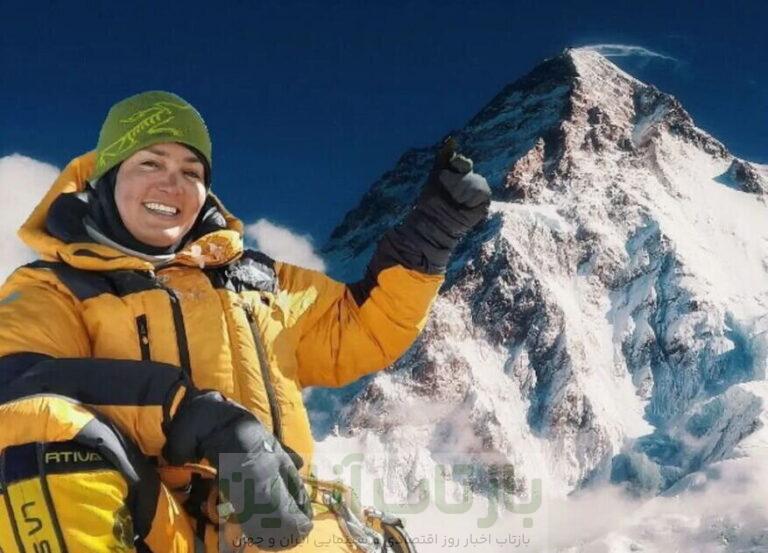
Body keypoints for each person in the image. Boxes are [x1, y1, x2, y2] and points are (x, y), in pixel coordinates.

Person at [0, 91, 490, 552]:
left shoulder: (257, 281)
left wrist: (431, 235)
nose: (172, 184)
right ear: (107, 176)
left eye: (191, 171)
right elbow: (15, 384)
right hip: (151, 528)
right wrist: (183, 412)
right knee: (39, 442)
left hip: (268, 525)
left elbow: (359, 330)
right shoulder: (55, 287)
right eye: (150, 163)